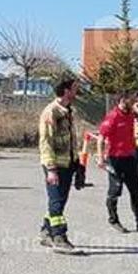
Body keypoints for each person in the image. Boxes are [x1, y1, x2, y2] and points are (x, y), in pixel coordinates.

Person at [97, 92, 138, 233]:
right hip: (115, 159)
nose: (133, 102)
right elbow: (101, 138)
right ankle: (114, 219)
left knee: (136, 191)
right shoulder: (112, 117)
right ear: (123, 100)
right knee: (115, 190)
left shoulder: (131, 115)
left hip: (130, 158)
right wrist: (100, 158)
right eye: (131, 100)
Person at [38, 78, 81, 253]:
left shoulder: (68, 111)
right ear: (65, 90)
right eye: (74, 89)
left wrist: (77, 163)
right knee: (56, 202)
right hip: (55, 165)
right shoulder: (51, 112)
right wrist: (51, 169)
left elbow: (71, 140)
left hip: (68, 163)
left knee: (59, 202)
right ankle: (59, 237)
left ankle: (45, 232)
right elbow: (45, 142)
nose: (77, 92)